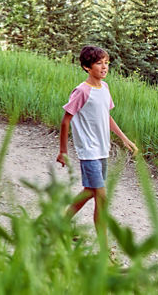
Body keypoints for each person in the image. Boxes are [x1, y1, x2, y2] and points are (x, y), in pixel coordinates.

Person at [57, 45, 138, 233]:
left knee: (90, 191)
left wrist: (124, 139)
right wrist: (62, 151)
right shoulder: (82, 91)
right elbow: (65, 120)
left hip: (103, 148)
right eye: (99, 63)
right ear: (87, 67)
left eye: (106, 63)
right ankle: (104, 248)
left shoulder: (104, 88)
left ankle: (60, 222)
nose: (104, 67)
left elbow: (106, 116)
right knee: (102, 197)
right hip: (88, 150)